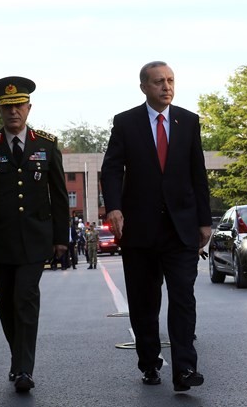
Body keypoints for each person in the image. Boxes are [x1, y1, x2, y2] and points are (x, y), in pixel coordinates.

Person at [100, 61, 212, 392]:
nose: (167, 86)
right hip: (140, 231)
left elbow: (198, 173)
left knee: (182, 298)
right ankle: (149, 361)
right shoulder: (126, 123)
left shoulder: (188, 121)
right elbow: (111, 169)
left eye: (171, 80)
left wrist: (204, 221)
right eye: (159, 81)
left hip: (181, 229)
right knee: (144, 302)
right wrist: (115, 207)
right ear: (144, 87)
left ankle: (185, 370)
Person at [0, 76, 69, 394]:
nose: (13, 112)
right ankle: (16, 355)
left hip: (36, 239)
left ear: (28, 108)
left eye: (18, 106)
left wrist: (61, 237)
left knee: (25, 297)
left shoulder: (46, 145)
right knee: (6, 301)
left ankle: (24, 368)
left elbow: (60, 195)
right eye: (7, 107)